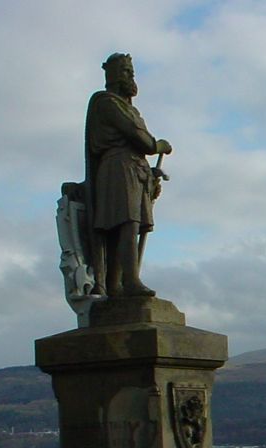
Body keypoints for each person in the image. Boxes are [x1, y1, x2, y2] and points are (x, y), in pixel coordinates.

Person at [85, 53, 173, 297]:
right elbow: (139, 138)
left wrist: (150, 171)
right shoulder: (106, 102)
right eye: (125, 71)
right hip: (118, 167)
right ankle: (129, 281)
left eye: (132, 72)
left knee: (132, 226)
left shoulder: (130, 108)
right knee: (126, 223)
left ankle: (119, 284)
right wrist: (159, 146)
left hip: (135, 169)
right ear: (112, 75)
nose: (131, 76)